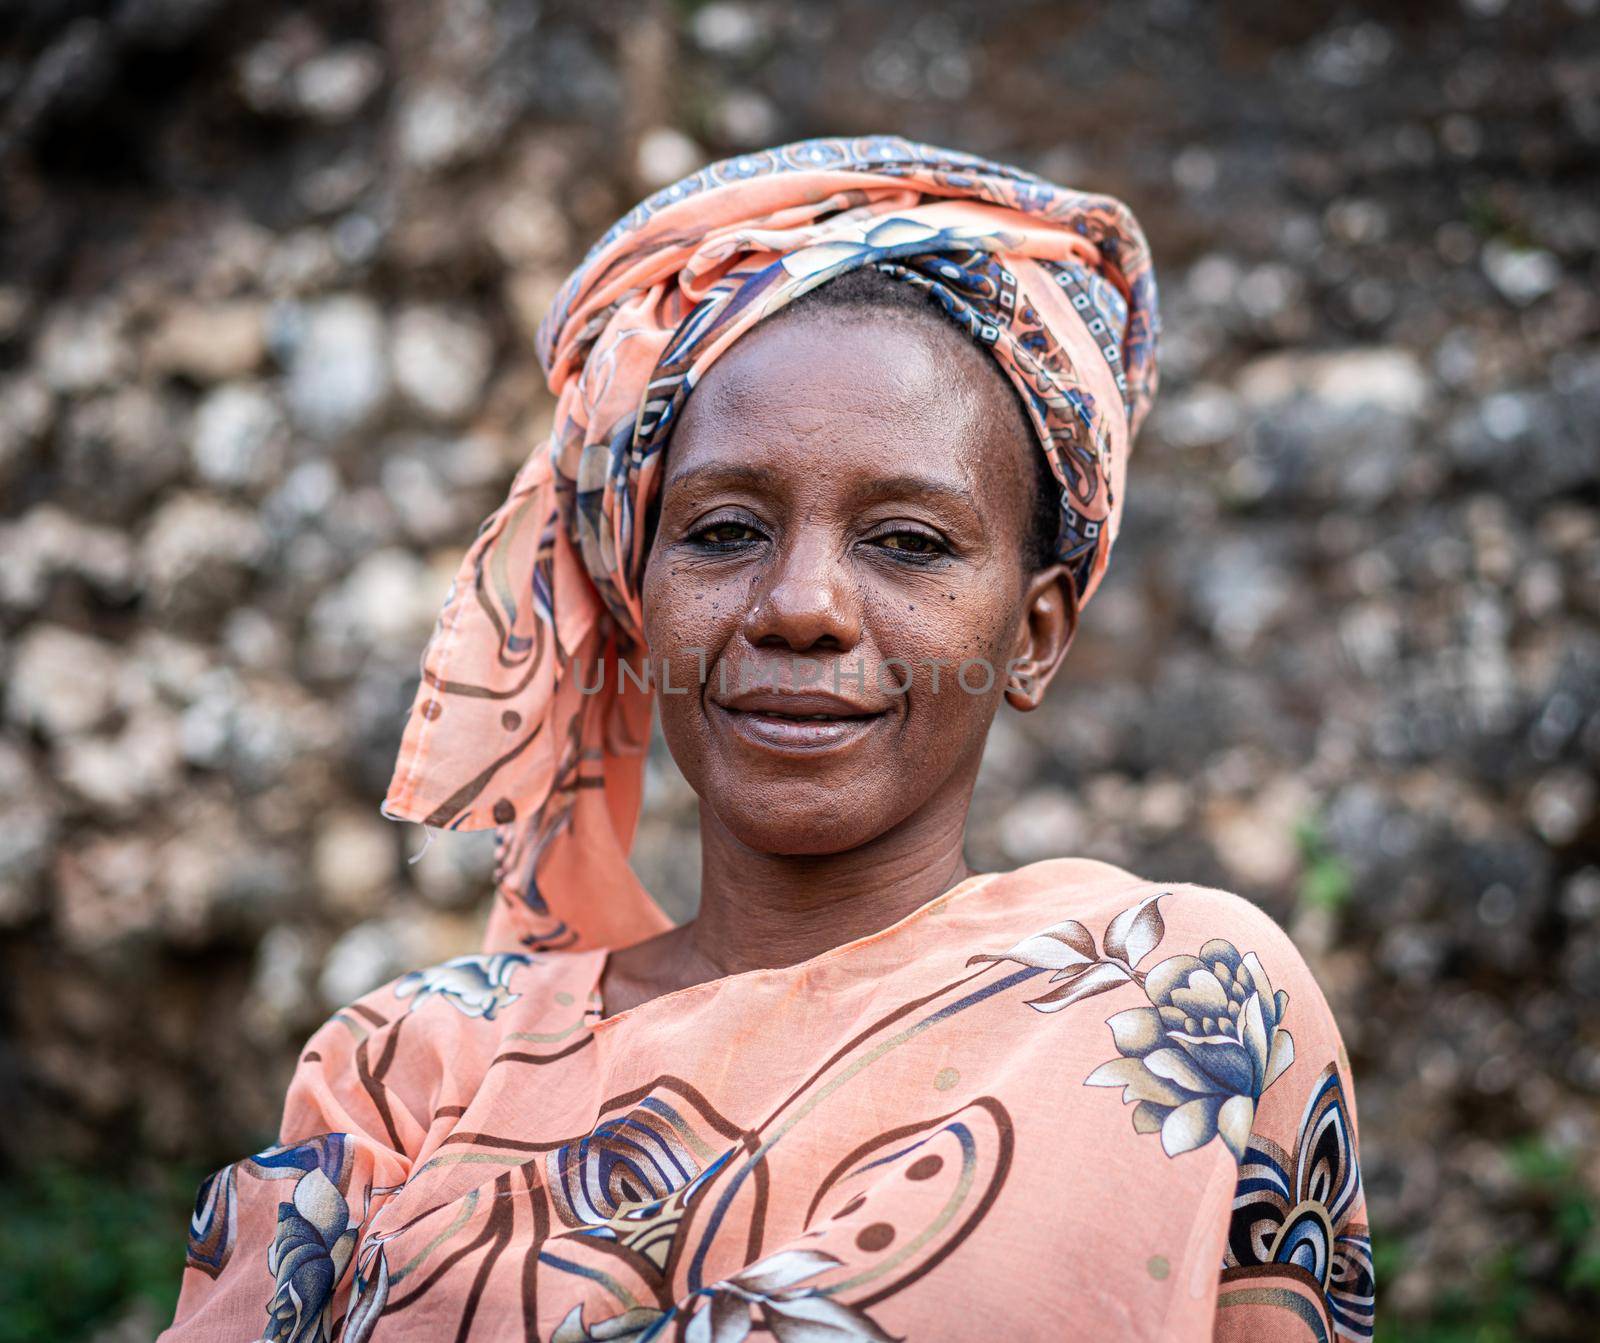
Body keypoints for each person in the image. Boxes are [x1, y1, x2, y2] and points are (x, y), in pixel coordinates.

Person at [159, 136, 1373, 1343]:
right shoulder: (412, 1064)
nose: (799, 605)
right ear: (637, 608)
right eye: (725, 530)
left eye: (907, 541)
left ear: (1036, 632)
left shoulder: (1178, 993)